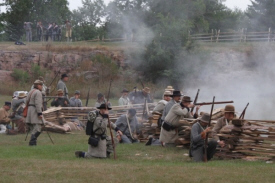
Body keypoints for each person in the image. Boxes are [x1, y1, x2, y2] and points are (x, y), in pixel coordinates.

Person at [25, 80, 44, 146]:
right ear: (38, 85)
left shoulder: (30, 91)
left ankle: (33, 143)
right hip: (35, 111)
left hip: (30, 110)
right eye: (41, 85)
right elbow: (38, 104)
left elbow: (26, 101)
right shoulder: (38, 92)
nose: (42, 87)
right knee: (38, 129)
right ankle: (32, 143)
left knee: (33, 129)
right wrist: (39, 113)